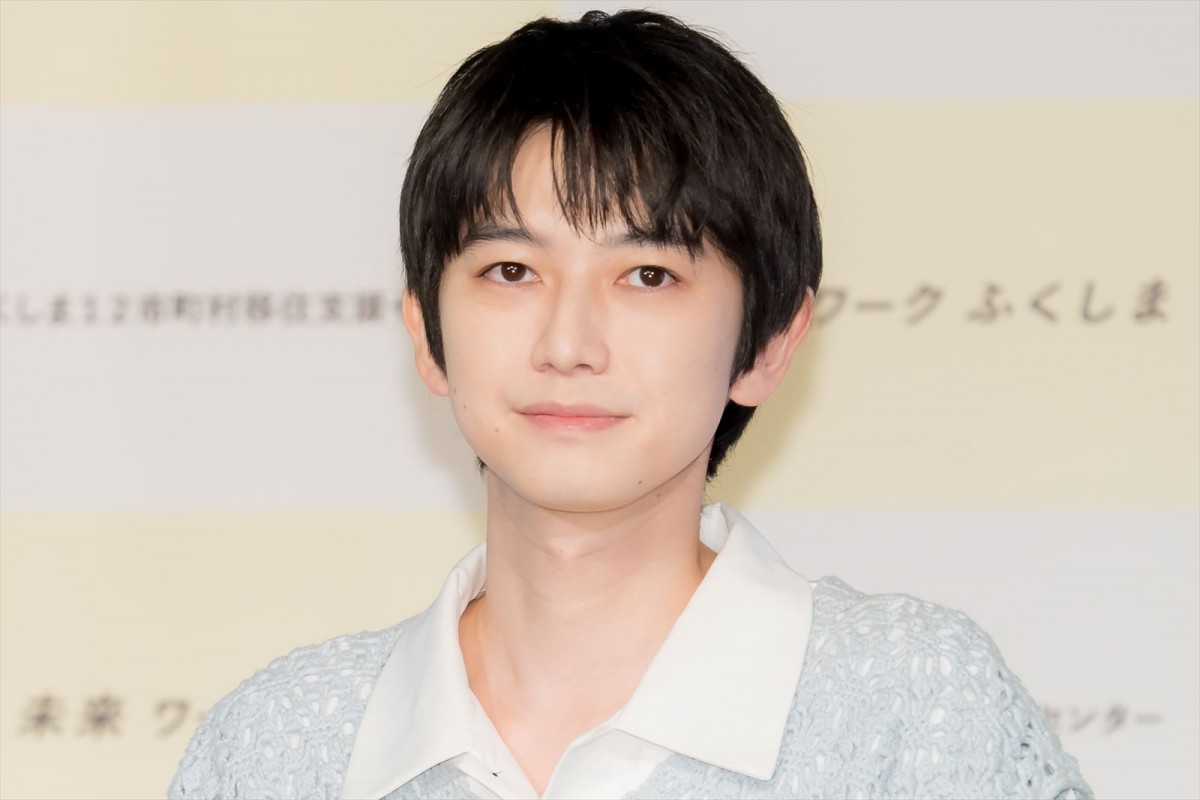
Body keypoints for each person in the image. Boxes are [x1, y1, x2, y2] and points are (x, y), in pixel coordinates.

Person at [168, 9, 1092, 799]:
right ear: (426, 330)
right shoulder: (278, 747)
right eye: (511, 271)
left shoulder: (915, 713)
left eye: (648, 274)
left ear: (769, 343)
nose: (568, 344)